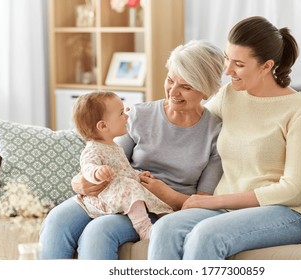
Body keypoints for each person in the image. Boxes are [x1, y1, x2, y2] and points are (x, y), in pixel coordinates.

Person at [148, 16, 301, 260]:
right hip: (227, 208)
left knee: (206, 235)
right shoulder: (230, 95)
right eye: (227, 58)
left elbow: (292, 190)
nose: (227, 71)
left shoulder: (300, 107)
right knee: (166, 228)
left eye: (238, 64)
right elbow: (194, 122)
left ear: (266, 66)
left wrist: (213, 201)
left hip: (283, 212)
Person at [39, 40, 225, 259]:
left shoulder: (215, 133)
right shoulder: (139, 115)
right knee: (57, 219)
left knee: (100, 231)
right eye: (170, 80)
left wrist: (167, 194)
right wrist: (80, 182)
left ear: (206, 90)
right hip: (117, 191)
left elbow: (203, 201)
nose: (173, 92)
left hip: (158, 208)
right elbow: (107, 156)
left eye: (186, 87)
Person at [72, 91, 173, 240]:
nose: (126, 116)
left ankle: (168, 219)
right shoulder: (93, 148)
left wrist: (138, 175)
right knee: (131, 188)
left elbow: (123, 170)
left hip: (120, 189)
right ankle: (144, 228)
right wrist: (96, 172)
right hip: (107, 196)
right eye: (121, 113)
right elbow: (87, 167)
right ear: (103, 126)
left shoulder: (114, 146)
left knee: (146, 188)